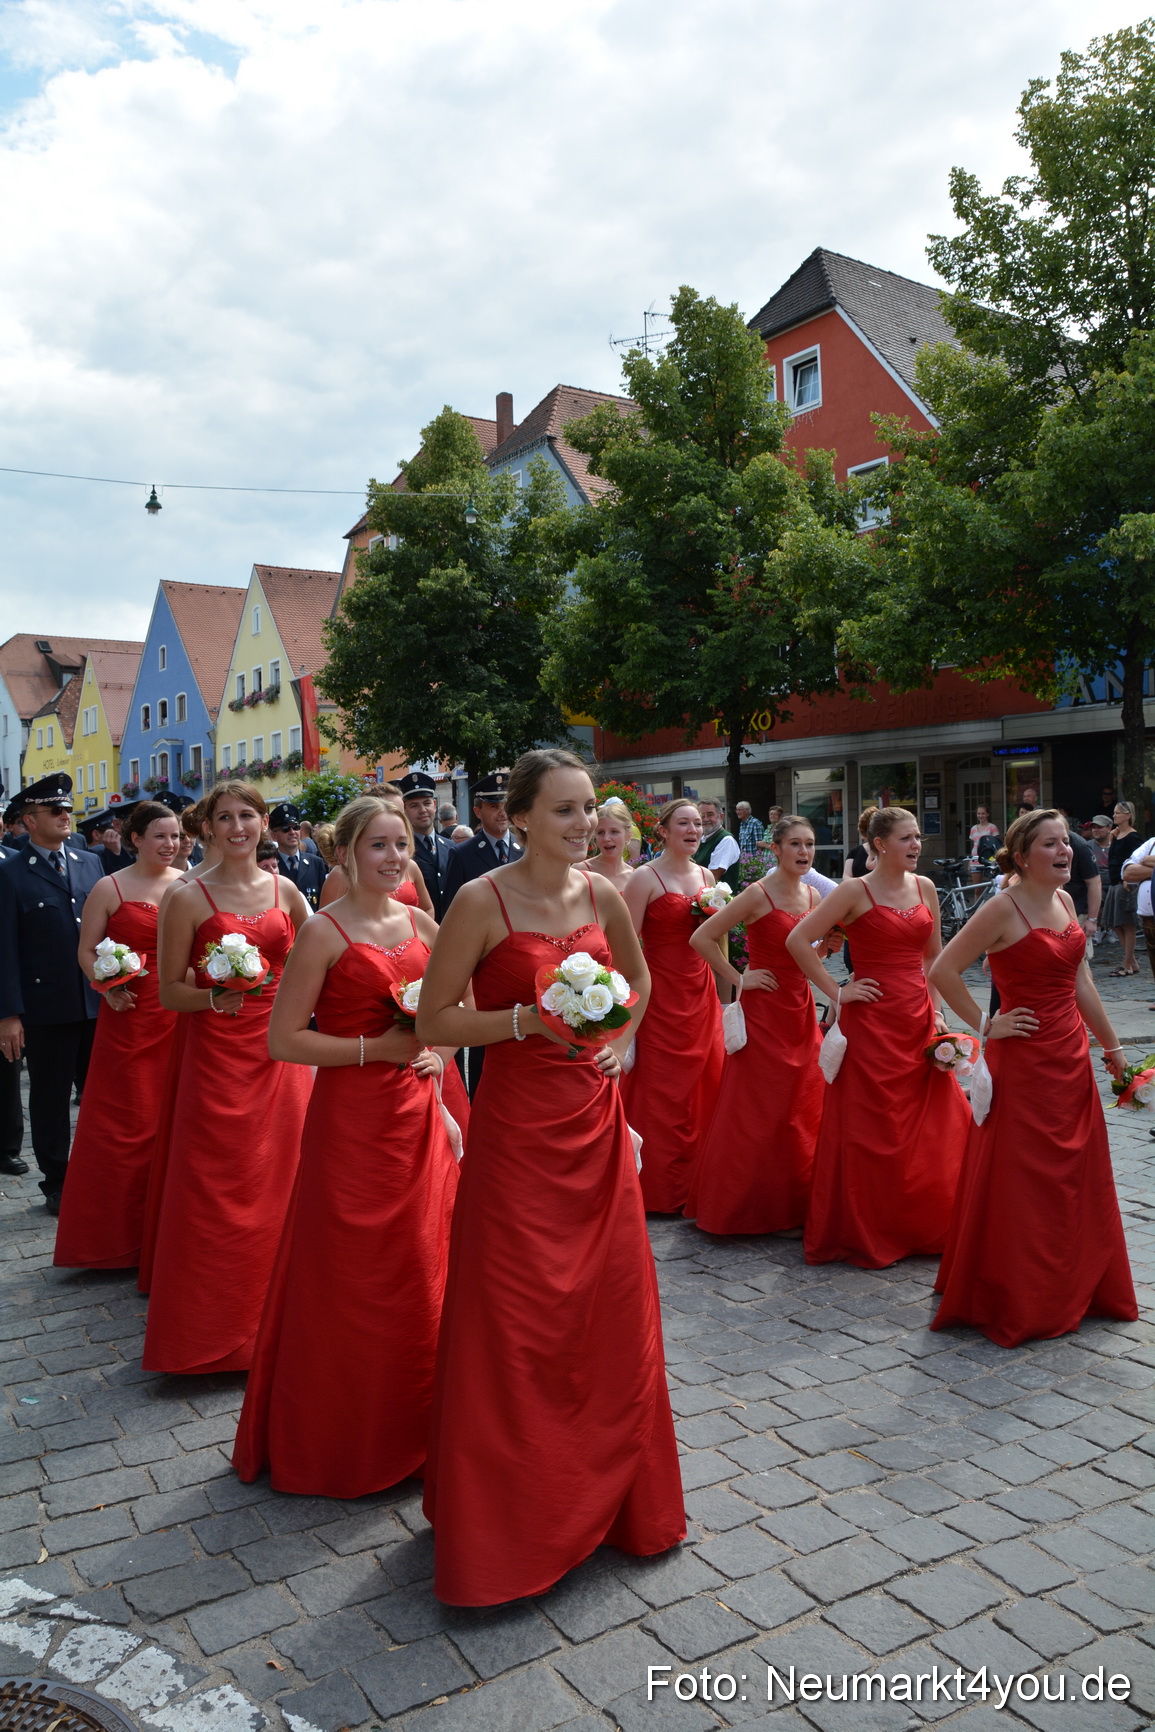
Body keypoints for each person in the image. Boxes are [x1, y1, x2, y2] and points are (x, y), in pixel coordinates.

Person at [416, 748, 683, 1606]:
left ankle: (610, 1497)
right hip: (520, 1134)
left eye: (587, 812)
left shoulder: (603, 894)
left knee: (605, 1307)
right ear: (519, 814)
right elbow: (434, 1016)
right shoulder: (478, 900)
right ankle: (513, 1515)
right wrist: (527, 1020)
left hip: (593, 1124)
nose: (581, 827)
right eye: (562, 811)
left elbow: (638, 983)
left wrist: (619, 1040)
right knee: (519, 1312)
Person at [233, 797, 458, 1496]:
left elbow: (453, 1012)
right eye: (378, 847)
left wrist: (440, 1055)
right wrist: (377, 1048)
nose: (394, 858)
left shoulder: (423, 923)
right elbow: (284, 1038)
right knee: (353, 1272)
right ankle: (345, 1432)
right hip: (352, 1122)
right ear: (347, 854)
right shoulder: (325, 933)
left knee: (420, 1263)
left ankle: (420, 1425)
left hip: (417, 1116)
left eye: (401, 845)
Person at [929, 810, 1137, 1346]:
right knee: (1024, 1176)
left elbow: (1083, 982)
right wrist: (985, 1025)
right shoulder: (1002, 907)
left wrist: (1111, 1046)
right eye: (1051, 844)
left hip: (1069, 1058)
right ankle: (1022, 1293)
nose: (1065, 851)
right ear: (1023, 855)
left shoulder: (1065, 902)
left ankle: (1077, 1281)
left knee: (1074, 1172)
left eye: (1066, 842)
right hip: (1022, 1062)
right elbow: (943, 971)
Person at [142, 782, 312, 1374]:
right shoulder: (187, 897)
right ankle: (216, 1334)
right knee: (219, 1187)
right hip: (217, 1058)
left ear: (263, 823)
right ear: (207, 826)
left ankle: (286, 1320)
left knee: (286, 1179)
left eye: (248, 816)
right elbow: (169, 992)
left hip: (281, 1058)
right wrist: (217, 996)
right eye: (225, 817)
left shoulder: (287, 892)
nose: (238, 826)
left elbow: (311, 973)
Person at [785, 806, 971, 1268]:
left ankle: (928, 1220)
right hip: (870, 1023)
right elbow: (797, 940)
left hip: (917, 1017)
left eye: (918, 838)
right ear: (881, 843)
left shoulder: (924, 887)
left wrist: (938, 1012)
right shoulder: (854, 890)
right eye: (907, 838)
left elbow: (932, 959)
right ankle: (872, 1224)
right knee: (874, 1123)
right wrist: (838, 991)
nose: (916, 846)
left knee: (931, 1121)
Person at [53, 802, 183, 1268]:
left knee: (177, 1123)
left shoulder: (188, 885)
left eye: (176, 836)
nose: (171, 844)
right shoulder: (109, 887)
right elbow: (86, 951)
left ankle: (169, 1232)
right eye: (160, 836)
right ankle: (116, 1240)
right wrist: (107, 985)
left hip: (179, 1017)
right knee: (129, 1125)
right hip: (128, 1016)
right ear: (136, 840)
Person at [686, 815, 825, 1234]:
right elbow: (702, 938)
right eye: (795, 844)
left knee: (800, 1105)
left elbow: (807, 954)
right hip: (763, 1011)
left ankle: (793, 1202)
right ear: (776, 849)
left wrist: (825, 948)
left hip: (800, 1009)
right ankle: (745, 1205)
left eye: (810, 844)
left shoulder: (815, 897)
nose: (804, 852)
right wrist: (739, 976)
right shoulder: (757, 894)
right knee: (759, 1107)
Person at [0, 775, 103, 1210]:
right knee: (49, 1099)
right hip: (46, 1008)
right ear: (29, 821)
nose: (66, 816)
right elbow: (4, 948)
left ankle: (101, 1172)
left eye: (67, 809)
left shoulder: (88, 862)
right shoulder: (9, 873)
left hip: (96, 1001)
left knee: (99, 1096)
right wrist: (9, 1015)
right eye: (54, 811)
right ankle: (57, 1181)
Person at [621, 799, 725, 1212]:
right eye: (683, 823)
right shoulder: (645, 878)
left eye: (698, 824)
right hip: (660, 992)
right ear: (662, 830)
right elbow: (627, 944)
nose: (693, 830)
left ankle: (700, 1179)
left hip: (699, 990)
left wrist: (724, 991)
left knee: (706, 1080)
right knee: (663, 1084)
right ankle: (659, 1185)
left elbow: (717, 941)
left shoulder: (706, 876)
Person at [441, 773, 524, 907]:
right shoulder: (462, 854)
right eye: (494, 806)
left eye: (506, 805)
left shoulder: (526, 848)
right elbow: (451, 908)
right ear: (478, 812)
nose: (502, 813)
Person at [399, 771, 455, 921]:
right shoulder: (401, 851)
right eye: (414, 805)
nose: (423, 810)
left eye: (427, 803)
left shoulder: (451, 848)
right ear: (405, 809)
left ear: (435, 805)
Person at [1103, 801, 1143, 975]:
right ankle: (1132, 961)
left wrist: (1132, 879)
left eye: (1118, 813)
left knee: (1127, 924)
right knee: (1115, 924)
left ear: (1128, 815)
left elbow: (1138, 859)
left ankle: (1127, 964)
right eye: (1114, 813)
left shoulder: (1133, 837)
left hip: (1125, 885)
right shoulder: (1117, 835)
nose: (1114, 816)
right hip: (1114, 883)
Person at [268, 801, 327, 910]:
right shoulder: (269, 865)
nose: (292, 832)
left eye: (295, 827)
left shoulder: (316, 863)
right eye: (285, 829)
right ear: (274, 836)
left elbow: (323, 904)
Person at [1062, 816, 1102, 949]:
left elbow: (1094, 882)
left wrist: (1092, 919)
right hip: (1054, 910)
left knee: (1080, 960)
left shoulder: (1080, 846)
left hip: (1077, 911)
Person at [587, 802, 634, 893]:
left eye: (614, 832)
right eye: (600, 832)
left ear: (628, 835)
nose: (606, 838)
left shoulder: (635, 877)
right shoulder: (581, 871)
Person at [694, 797, 740, 890]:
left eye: (710, 815)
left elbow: (711, 877)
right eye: (702, 815)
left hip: (720, 902)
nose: (706, 819)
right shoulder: (702, 839)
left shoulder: (726, 840)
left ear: (721, 816)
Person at [967, 805, 1000, 874]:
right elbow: (974, 846)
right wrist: (969, 862)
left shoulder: (992, 827)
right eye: (978, 813)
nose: (980, 816)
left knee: (992, 881)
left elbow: (997, 845)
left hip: (989, 858)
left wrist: (995, 859)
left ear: (988, 814)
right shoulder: (973, 829)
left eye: (983, 813)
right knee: (977, 884)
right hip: (975, 858)